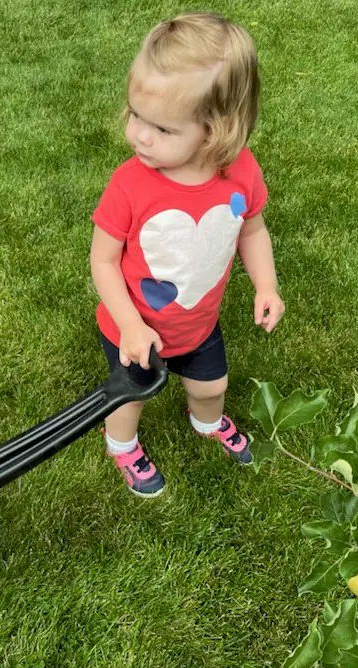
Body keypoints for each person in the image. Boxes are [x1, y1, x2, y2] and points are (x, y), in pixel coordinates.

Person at [89, 12, 284, 498]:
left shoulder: (241, 174)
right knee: (129, 397)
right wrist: (131, 326)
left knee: (211, 386)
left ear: (215, 130)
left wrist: (266, 285)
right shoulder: (130, 184)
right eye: (136, 115)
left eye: (162, 128)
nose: (139, 136)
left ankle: (207, 422)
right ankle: (122, 445)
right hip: (134, 330)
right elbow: (104, 260)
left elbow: (252, 229)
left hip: (199, 325)